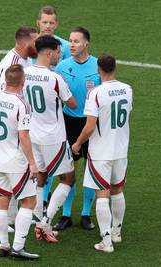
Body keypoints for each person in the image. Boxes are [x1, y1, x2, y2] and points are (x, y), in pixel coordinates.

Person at [72, 53, 132, 253]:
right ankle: (116, 232)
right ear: (115, 67)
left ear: (98, 70)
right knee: (117, 190)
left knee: (102, 195)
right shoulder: (127, 89)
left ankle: (106, 242)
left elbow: (90, 127)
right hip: (121, 150)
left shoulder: (96, 93)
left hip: (100, 153)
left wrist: (78, 143)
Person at [23, 35, 77, 243]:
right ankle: (45, 223)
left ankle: (38, 222)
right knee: (68, 178)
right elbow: (71, 104)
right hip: (53, 137)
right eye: (57, 51)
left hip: (32, 135)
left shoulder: (25, 74)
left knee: (41, 178)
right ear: (48, 52)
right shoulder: (55, 78)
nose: (60, 54)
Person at [0, 64, 39, 259]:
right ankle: (18, 247)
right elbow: (24, 136)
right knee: (28, 200)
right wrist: (33, 163)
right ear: (22, 81)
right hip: (16, 161)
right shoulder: (21, 104)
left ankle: (4, 245)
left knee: (2, 200)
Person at [0, 26, 38, 233]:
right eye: (36, 41)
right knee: (9, 169)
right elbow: (4, 96)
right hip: (11, 124)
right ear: (26, 43)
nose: (39, 44)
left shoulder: (25, 59)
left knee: (9, 172)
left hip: (18, 119)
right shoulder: (11, 63)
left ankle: (10, 216)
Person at [55, 26, 101, 230]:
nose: (71, 45)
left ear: (86, 44)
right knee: (67, 169)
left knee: (91, 169)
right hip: (68, 122)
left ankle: (85, 214)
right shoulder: (62, 66)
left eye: (76, 41)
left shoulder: (98, 66)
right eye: (70, 41)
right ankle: (66, 214)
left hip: (91, 123)